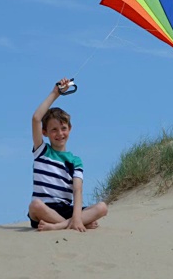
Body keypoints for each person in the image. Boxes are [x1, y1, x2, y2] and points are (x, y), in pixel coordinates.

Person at [27, 77, 108, 232]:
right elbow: (36, 118)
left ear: (70, 129)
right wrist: (55, 92)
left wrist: (77, 216)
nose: (59, 133)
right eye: (54, 130)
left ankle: (62, 225)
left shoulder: (75, 160)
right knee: (35, 205)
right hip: (44, 211)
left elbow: (77, 190)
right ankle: (74, 224)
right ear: (45, 133)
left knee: (102, 207)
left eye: (63, 128)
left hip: (67, 210)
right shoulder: (41, 151)